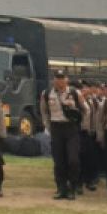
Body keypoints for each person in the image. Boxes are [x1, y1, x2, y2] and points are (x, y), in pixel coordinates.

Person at [40, 71, 88, 200]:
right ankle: (61, 188)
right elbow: (44, 111)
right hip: (56, 128)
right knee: (59, 161)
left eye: (62, 78)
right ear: (54, 80)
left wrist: (78, 119)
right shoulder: (47, 94)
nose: (60, 81)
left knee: (73, 160)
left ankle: (72, 186)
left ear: (66, 80)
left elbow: (86, 109)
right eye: (57, 78)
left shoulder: (74, 93)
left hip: (71, 128)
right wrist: (48, 126)